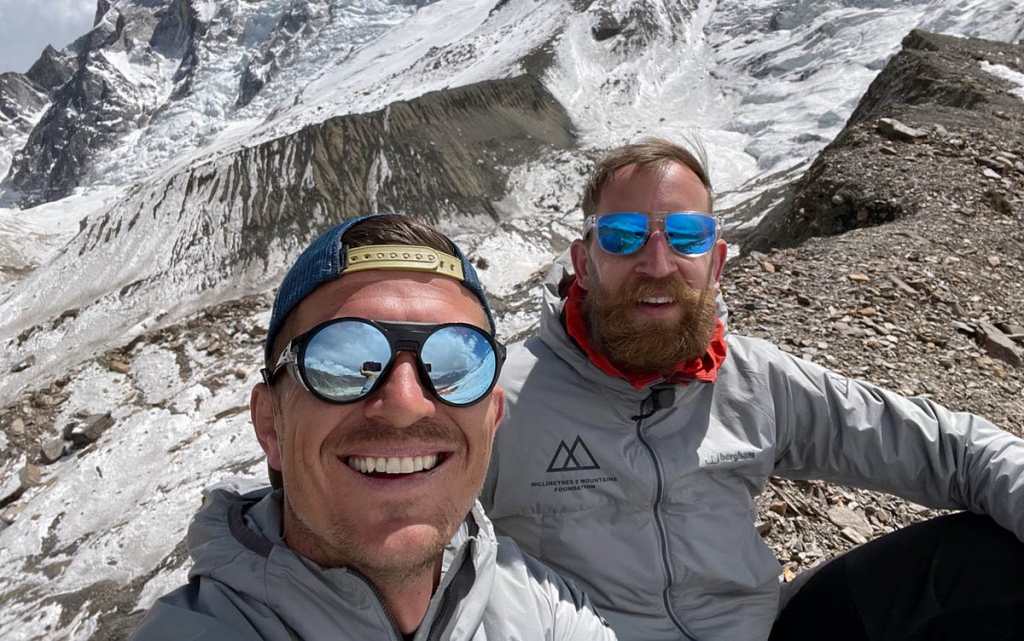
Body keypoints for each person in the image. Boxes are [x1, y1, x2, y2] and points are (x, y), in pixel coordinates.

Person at [481, 138, 1024, 640]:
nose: (657, 262)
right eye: (622, 236)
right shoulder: (502, 404)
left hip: (760, 632)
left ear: (714, 263)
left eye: (686, 236)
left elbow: (950, 449)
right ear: (584, 262)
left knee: (981, 557)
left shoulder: (754, 380)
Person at [133, 214, 615, 640]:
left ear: (491, 419)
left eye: (453, 363)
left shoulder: (544, 611)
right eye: (340, 358)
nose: (405, 403)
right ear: (270, 424)